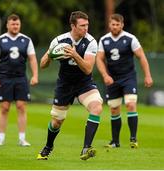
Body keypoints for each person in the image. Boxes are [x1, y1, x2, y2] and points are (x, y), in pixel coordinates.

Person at [37, 11, 103, 160]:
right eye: (82, 26)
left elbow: (88, 69)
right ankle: (48, 146)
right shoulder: (59, 40)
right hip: (65, 84)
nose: (86, 28)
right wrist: (51, 56)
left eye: (87, 25)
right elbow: (42, 64)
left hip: (84, 83)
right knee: (56, 121)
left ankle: (86, 148)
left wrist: (74, 54)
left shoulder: (91, 42)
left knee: (96, 107)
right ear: (73, 26)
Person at [96, 13, 153, 148]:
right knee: (114, 109)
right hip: (112, 79)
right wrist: (105, 75)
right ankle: (115, 142)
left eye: (117, 24)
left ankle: (133, 139)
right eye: (112, 24)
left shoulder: (130, 38)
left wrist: (148, 75)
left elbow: (142, 57)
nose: (115, 27)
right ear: (109, 24)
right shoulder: (104, 40)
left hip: (128, 77)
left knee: (130, 104)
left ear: (122, 25)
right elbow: (99, 59)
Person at [0, 14, 38, 146]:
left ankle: (22, 139)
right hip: (5, 78)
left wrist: (35, 75)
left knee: (21, 107)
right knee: (4, 107)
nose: (15, 26)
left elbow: (32, 58)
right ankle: (0, 138)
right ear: (7, 25)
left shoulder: (26, 40)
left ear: (20, 25)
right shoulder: (0, 40)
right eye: (13, 24)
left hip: (21, 78)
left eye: (17, 24)